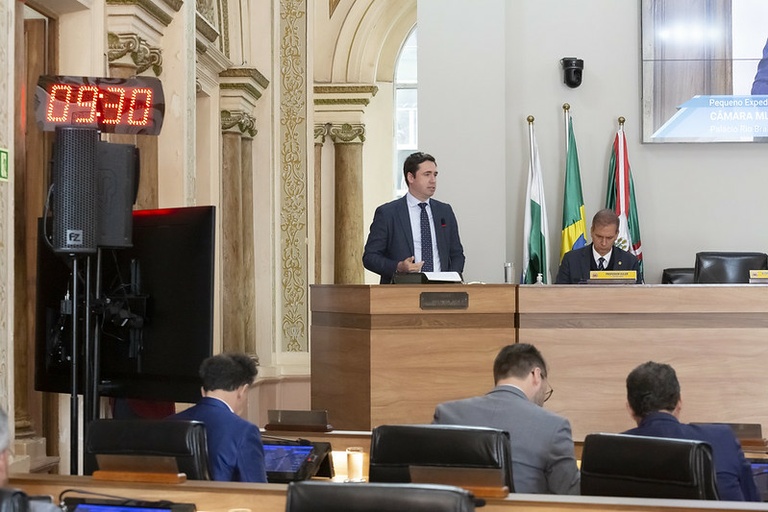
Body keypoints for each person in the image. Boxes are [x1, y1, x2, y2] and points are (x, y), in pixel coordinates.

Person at [433, 344, 580, 495]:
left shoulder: (446, 414)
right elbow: (571, 497)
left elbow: (429, 484)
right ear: (536, 375)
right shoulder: (554, 426)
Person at [623, 361, 760, 502]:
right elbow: (754, 505)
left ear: (630, 409)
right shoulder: (723, 438)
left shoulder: (613, 448)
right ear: (679, 402)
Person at [363, 151, 465, 284]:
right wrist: (399, 267)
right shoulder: (388, 213)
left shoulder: (444, 211)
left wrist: (451, 281)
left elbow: (457, 254)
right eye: (427, 174)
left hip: (441, 290)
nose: (433, 180)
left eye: (435, 174)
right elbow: (370, 257)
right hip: (403, 290)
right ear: (411, 177)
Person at [170, 352, 267, 483]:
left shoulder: (169, 423)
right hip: (225, 497)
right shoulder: (244, 431)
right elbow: (256, 489)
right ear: (242, 391)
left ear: (203, 391)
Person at [555, 208, 642, 284]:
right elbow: (559, 293)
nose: (603, 243)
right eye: (599, 236)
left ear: (616, 235)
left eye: (609, 238)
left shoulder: (630, 262)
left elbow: (637, 295)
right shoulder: (571, 260)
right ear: (591, 231)